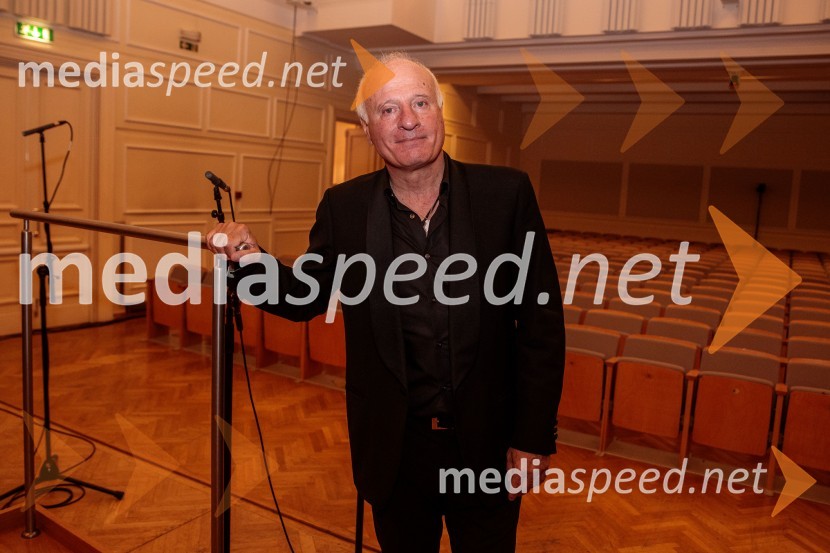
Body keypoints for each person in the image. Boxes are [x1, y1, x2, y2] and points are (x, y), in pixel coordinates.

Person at [207, 52, 565, 553]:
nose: (409, 121)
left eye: (420, 102)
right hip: (395, 451)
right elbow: (302, 295)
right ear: (368, 127)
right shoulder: (345, 207)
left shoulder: (504, 195)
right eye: (389, 110)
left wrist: (532, 436)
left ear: (440, 112)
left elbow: (542, 325)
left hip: (488, 446)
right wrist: (246, 256)